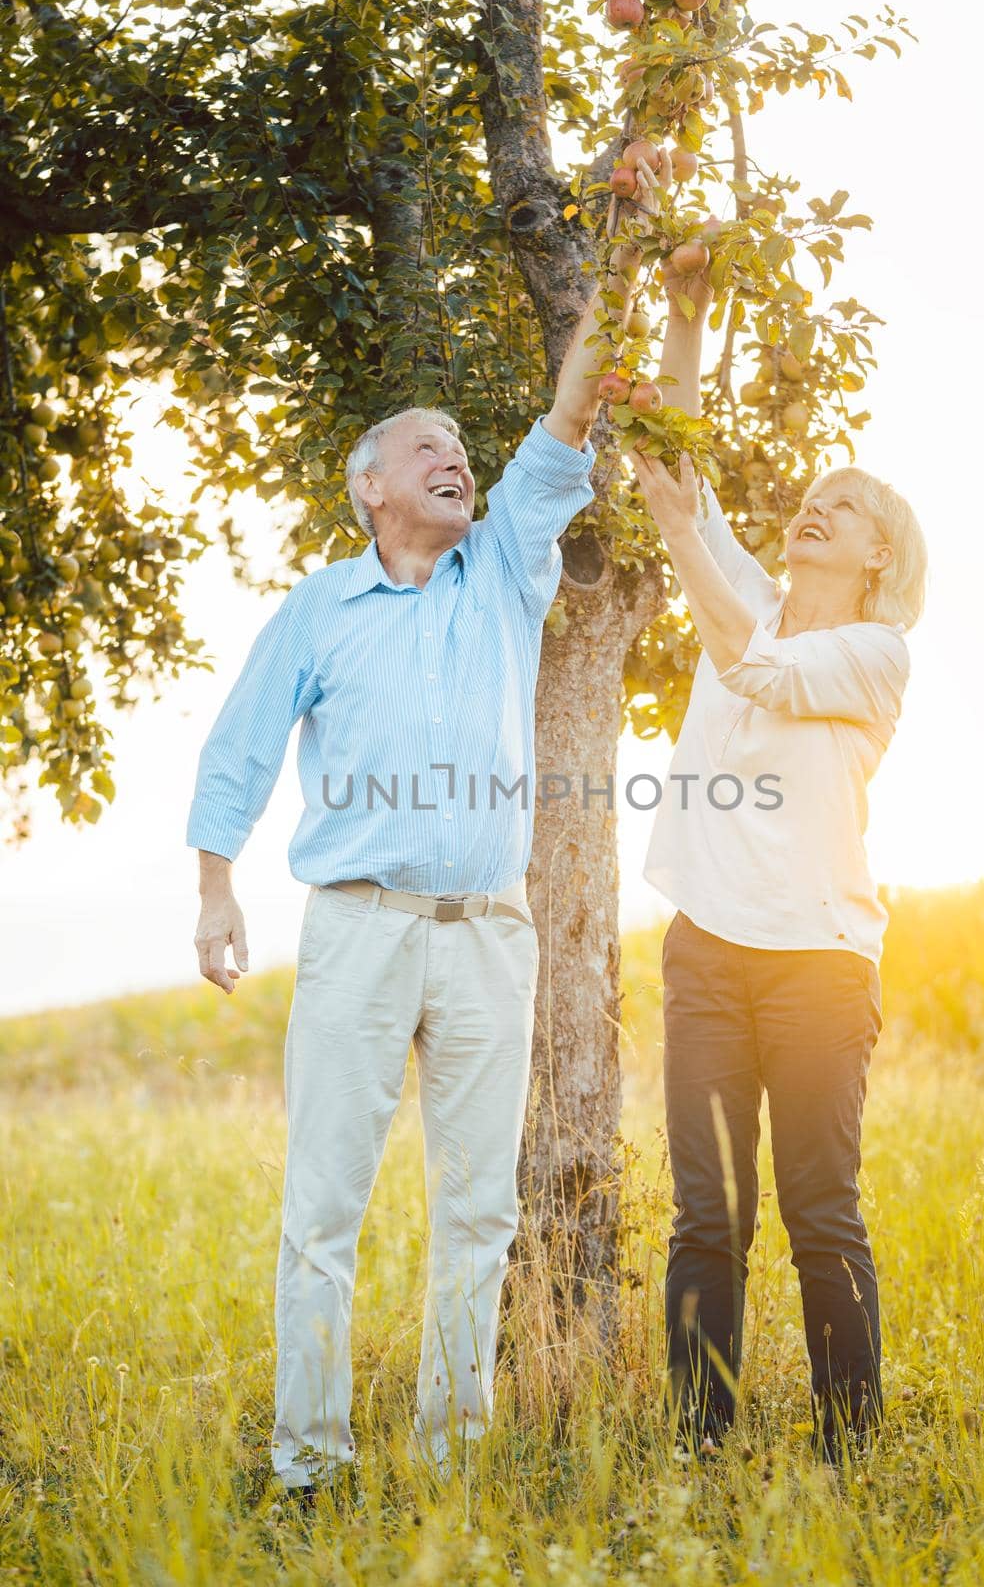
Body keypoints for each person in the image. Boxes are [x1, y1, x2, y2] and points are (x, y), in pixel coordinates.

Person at [184, 176, 658, 1496]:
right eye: (426, 447)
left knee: (477, 1215)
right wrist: (216, 887)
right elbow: (241, 742)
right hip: (358, 930)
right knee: (324, 1212)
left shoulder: (506, 568)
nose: (455, 457)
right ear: (371, 488)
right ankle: (307, 1468)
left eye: (462, 444)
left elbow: (568, 415)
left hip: (487, 943)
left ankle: (453, 1467)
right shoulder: (321, 608)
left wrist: (623, 258)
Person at [630, 251, 929, 1464]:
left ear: (877, 554)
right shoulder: (746, 591)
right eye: (812, 491)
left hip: (818, 967)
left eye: (844, 503)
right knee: (708, 1218)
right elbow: (666, 464)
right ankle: (703, 1447)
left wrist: (687, 549)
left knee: (819, 1214)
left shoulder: (876, 655)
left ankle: (849, 1449)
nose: (815, 503)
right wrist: (690, 317)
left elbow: (747, 658)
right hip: (707, 951)